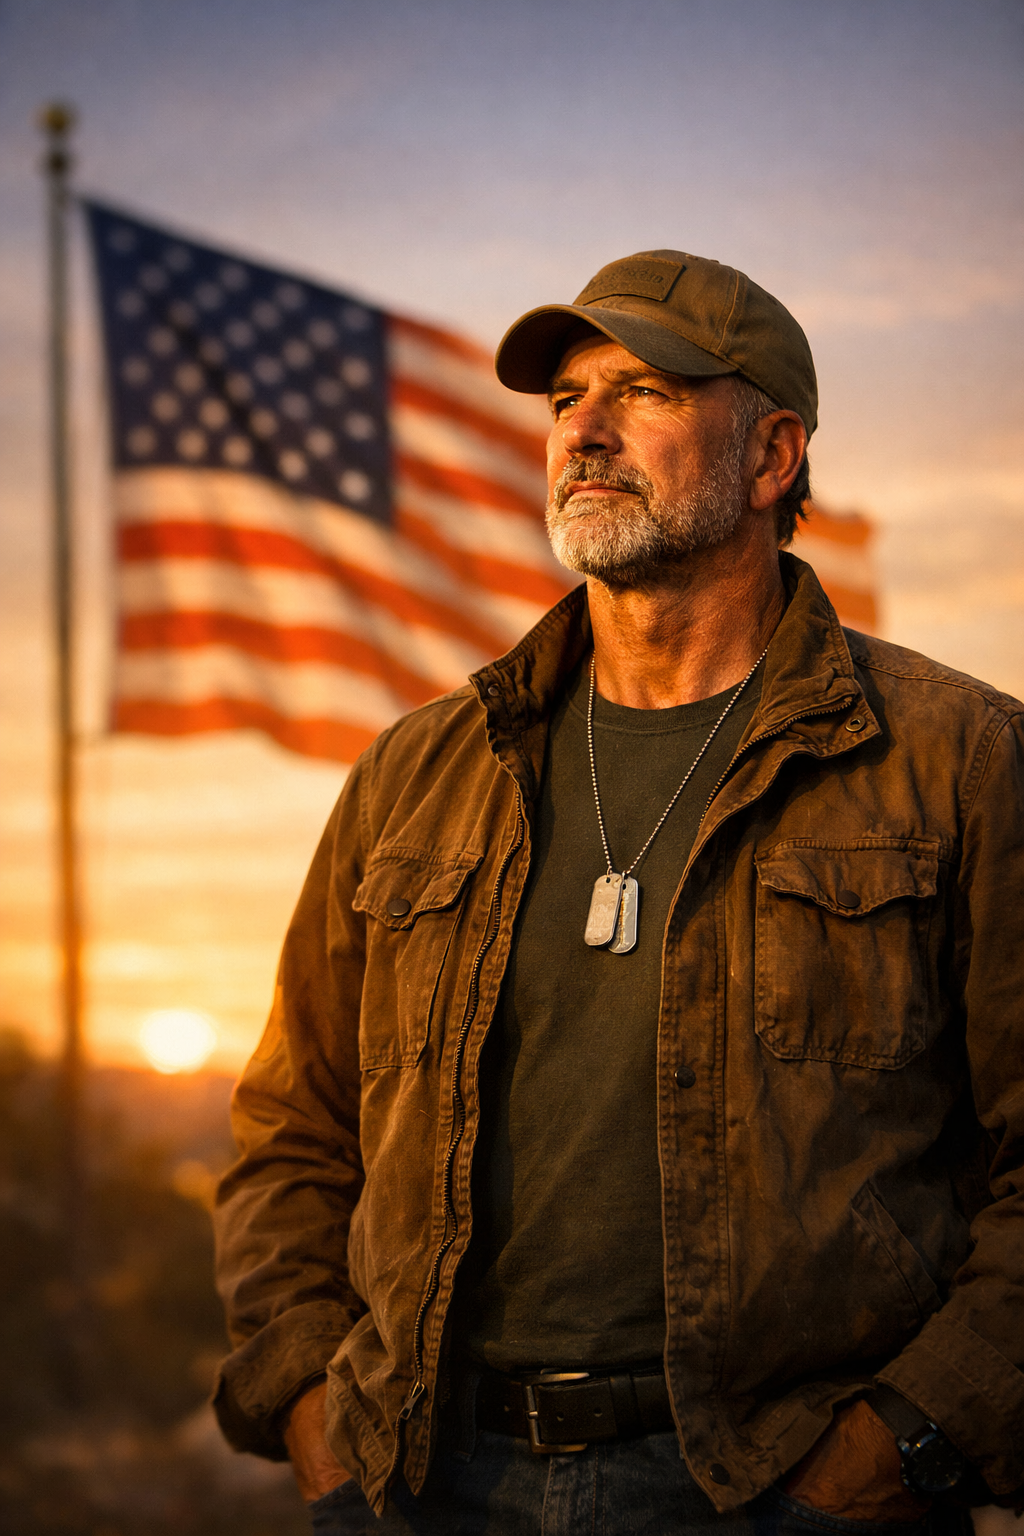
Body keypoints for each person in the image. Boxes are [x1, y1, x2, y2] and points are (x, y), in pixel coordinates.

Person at [212, 250, 1024, 1534]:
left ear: (772, 457)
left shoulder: (958, 760)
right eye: (565, 399)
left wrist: (894, 1451)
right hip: (424, 1483)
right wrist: (316, 1416)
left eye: (643, 391)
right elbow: (292, 1131)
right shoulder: (416, 773)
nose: (582, 430)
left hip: (779, 1486)